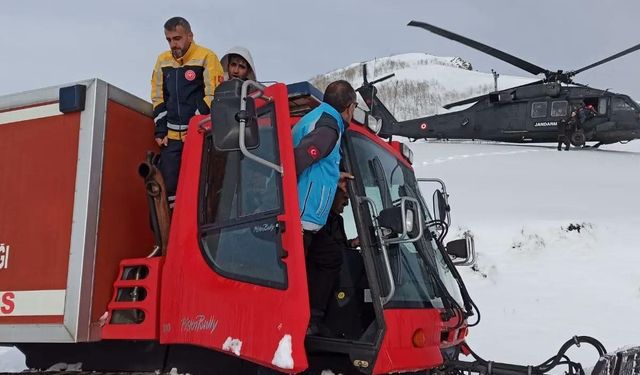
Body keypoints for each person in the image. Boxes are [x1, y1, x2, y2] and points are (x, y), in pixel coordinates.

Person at [151, 16, 224, 207]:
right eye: (169, 40)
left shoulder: (207, 57)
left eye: (177, 38)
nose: (173, 44)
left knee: (200, 184)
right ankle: (173, 231)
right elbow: (157, 97)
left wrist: (195, 123)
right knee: (170, 187)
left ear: (189, 36)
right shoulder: (162, 61)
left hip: (200, 134)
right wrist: (160, 129)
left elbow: (214, 95)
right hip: (172, 137)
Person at [291, 80, 357, 251]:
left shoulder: (321, 119)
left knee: (330, 258)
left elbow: (315, 166)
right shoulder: (328, 128)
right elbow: (294, 161)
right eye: (354, 108)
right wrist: (292, 217)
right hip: (300, 223)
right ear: (350, 107)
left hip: (305, 222)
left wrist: (335, 176)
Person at [306, 188, 358, 336]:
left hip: (337, 268)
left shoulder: (338, 220)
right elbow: (327, 250)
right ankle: (315, 317)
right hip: (320, 273)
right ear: (332, 195)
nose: (347, 203)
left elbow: (338, 246)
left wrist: (352, 244)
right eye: (345, 197)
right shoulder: (319, 220)